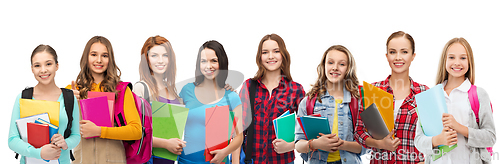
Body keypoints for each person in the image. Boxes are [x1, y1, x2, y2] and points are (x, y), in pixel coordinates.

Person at [414, 37, 495, 164]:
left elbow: (490, 137)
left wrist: (459, 127)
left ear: (469, 62)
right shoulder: (431, 97)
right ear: (444, 61)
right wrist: (437, 140)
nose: (457, 62)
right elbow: (418, 141)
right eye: (451, 57)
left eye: (463, 58)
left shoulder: (479, 95)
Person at [354, 31, 428, 164]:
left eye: (404, 52)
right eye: (393, 52)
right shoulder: (372, 90)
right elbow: (359, 132)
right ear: (387, 56)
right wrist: (379, 144)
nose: (398, 57)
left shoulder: (424, 93)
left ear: (413, 56)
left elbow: (433, 137)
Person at [69, 36, 142, 164]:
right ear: (86, 57)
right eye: (93, 54)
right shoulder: (73, 90)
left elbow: (136, 131)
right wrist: (69, 104)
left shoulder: (122, 90)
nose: (99, 60)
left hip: (114, 160)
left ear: (110, 59)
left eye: (104, 55)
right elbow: (59, 132)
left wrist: (99, 131)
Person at [237, 34, 305, 164]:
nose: (270, 56)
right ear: (260, 57)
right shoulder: (249, 86)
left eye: (276, 51)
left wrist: (290, 146)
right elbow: (238, 131)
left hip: (283, 161)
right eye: (265, 52)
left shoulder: (296, 89)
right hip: (251, 161)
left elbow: (306, 131)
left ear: (283, 55)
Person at [8, 45, 81, 164]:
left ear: (57, 66)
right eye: (37, 65)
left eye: (48, 64)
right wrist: (39, 153)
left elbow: (76, 135)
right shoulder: (22, 97)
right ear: (32, 69)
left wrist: (65, 142)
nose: (43, 70)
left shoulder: (69, 98)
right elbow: (12, 140)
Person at [295, 45, 366, 164]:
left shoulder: (359, 102)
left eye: (342, 64)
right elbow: (298, 145)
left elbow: (366, 147)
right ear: (324, 66)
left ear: (348, 68)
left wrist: (342, 144)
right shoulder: (308, 102)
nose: (335, 68)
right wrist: (315, 144)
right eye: (330, 62)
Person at [177, 40, 243, 164]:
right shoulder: (187, 90)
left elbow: (239, 137)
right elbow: (173, 121)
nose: (208, 66)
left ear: (221, 63)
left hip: (217, 161)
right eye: (204, 61)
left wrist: (225, 152)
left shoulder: (232, 97)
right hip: (186, 161)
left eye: (214, 60)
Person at [133, 35, 183, 164]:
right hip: (149, 160)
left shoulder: (172, 91)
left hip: (169, 160)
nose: (160, 60)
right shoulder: (141, 88)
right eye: (154, 55)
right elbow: (134, 133)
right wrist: (166, 144)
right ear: (146, 59)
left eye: (165, 55)